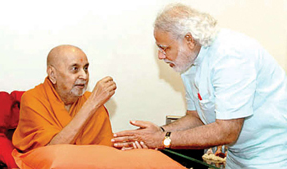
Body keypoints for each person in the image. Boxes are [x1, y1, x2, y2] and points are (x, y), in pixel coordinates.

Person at [112, 3, 287, 168]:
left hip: (272, 155)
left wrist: (162, 139)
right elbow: (196, 118)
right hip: (238, 156)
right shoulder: (189, 61)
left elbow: (227, 131)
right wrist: (159, 131)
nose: (160, 56)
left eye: (165, 48)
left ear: (189, 40)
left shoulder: (231, 55)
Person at [12, 44, 117, 152]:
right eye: (75, 69)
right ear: (53, 74)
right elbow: (51, 152)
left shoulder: (90, 99)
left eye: (85, 68)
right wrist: (92, 104)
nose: (84, 76)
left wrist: (126, 145)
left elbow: (106, 150)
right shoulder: (33, 99)